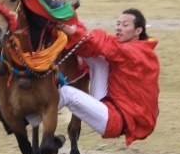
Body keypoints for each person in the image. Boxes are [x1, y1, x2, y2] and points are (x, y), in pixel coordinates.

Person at [34, 9, 160, 145]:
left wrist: (64, 27)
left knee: (66, 93)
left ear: (138, 31)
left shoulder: (134, 53)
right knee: (99, 58)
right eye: (118, 23)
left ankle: (30, 118)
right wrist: (68, 28)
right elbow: (98, 44)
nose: (119, 28)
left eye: (125, 25)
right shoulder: (137, 48)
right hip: (109, 105)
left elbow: (100, 43)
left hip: (115, 121)